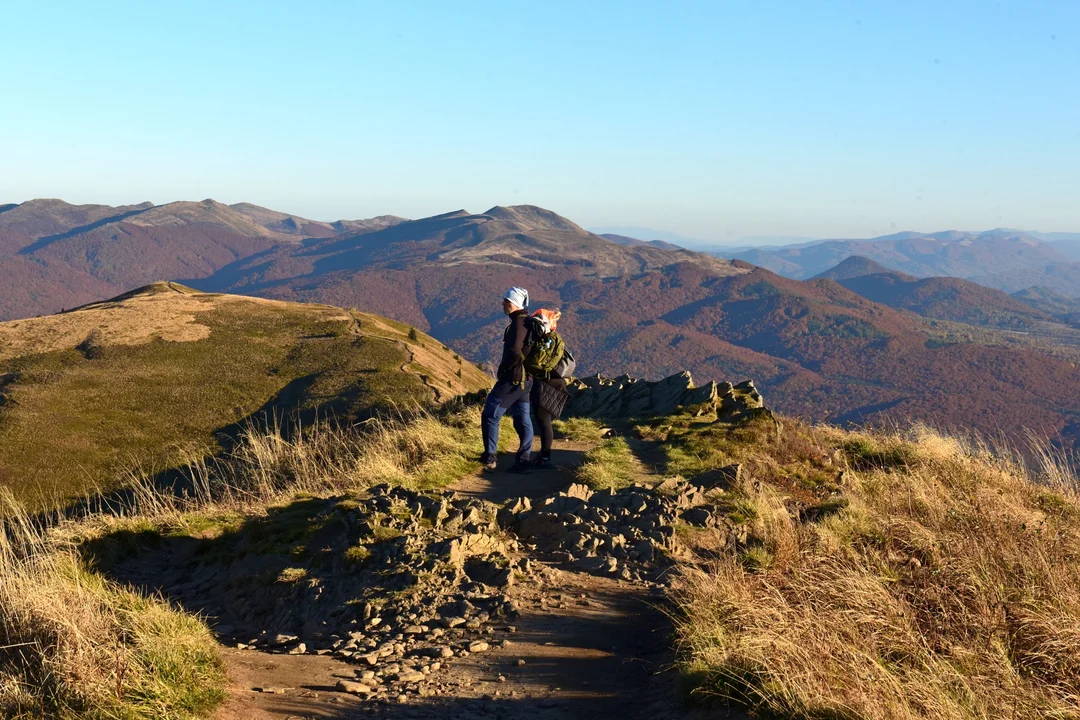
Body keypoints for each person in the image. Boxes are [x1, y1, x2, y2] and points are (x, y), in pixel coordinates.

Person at [479, 287, 534, 472]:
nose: (503, 303)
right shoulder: (527, 322)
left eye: (506, 301)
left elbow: (515, 351)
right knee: (522, 417)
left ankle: (490, 457)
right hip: (527, 379)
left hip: (514, 379)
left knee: (490, 414)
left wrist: (504, 369)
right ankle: (523, 458)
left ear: (515, 303)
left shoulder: (519, 324)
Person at [528, 308, 567, 469]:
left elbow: (536, 363)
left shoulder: (548, 340)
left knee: (543, 421)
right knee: (544, 420)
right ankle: (544, 456)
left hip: (547, 383)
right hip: (554, 382)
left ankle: (545, 457)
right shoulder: (554, 338)